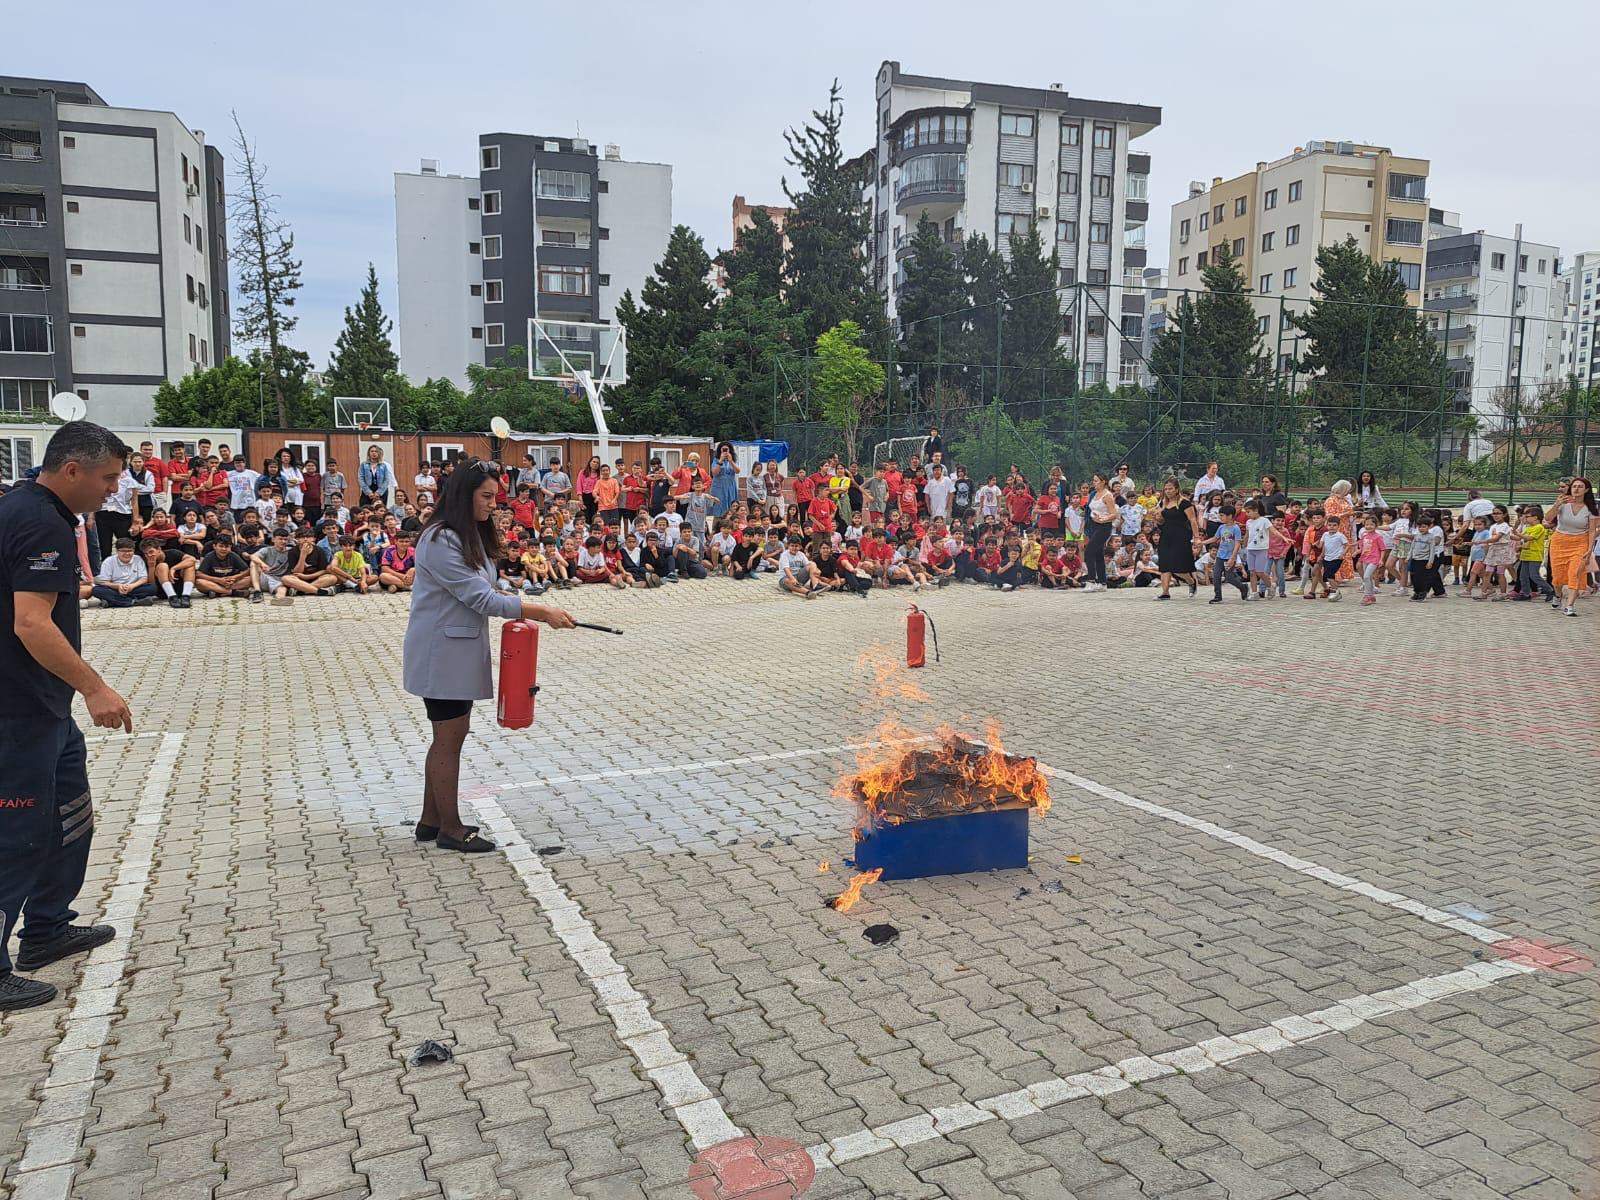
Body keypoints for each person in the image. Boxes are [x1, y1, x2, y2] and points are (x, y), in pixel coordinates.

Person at [0, 420, 134, 1010]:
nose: (113, 490)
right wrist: (95, 687)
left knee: (69, 818)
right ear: (72, 469)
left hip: (43, 708)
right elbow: (31, 623)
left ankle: (48, 928)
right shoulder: (36, 519)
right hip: (16, 713)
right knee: (18, 838)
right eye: (107, 479)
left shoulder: (39, 511)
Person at [403, 459, 574, 854]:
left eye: (495, 497)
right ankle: (449, 827)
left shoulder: (468, 536)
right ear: (464, 496)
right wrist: (541, 612)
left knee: (448, 736)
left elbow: (488, 586)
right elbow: (479, 597)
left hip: (457, 647)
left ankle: (431, 820)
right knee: (449, 738)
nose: (492, 505)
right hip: (440, 652)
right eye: (486, 497)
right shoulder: (439, 538)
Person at [1546, 478, 1597, 617]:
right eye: (1574, 486)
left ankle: (1570, 606)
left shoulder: (1590, 508)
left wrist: (1589, 548)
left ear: (1586, 490)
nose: (1576, 489)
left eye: (1580, 487)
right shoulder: (1563, 503)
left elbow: (1592, 531)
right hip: (1559, 541)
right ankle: (1557, 595)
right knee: (1557, 576)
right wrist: (1556, 505)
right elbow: (1548, 518)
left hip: (1580, 542)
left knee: (1575, 573)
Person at [1154, 478, 1201, 599]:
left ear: (1176, 489)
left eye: (1170, 488)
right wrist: (1156, 518)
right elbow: (1161, 521)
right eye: (1166, 489)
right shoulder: (1163, 503)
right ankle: (1165, 592)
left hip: (1181, 535)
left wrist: (1196, 537)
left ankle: (1191, 581)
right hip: (1166, 535)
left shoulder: (1184, 503)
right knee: (1165, 564)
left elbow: (1193, 520)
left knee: (1178, 567)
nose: (1168, 491)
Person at [91, 538, 158, 608]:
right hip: (116, 589)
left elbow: (144, 578)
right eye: (123, 551)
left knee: (152, 588)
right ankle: (134, 602)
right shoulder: (108, 561)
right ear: (117, 551)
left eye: (130, 551)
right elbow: (105, 582)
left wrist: (132, 586)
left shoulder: (138, 559)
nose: (127, 554)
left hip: (133, 588)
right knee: (97, 590)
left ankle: (112, 602)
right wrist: (118, 586)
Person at [1082, 473, 1117, 592]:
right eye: (1093, 480)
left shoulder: (1108, 495)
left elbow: (1114, 514)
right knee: (1098, 554)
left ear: (1103, 482)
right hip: (1093, 525)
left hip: (1104, 527)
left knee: (1088, 551)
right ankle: (1102, 582)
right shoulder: (1094, 494)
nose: (1094, 483)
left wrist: (1103, 519)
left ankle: (1091, 580)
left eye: (1096, 481)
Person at [710, 445, 740, 517]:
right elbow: (714, 473)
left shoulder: (733, 460)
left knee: (732, 506)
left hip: (730, 486)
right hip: (719, 487)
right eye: (723, 449)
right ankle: (717, 525)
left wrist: (731, 461)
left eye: (727, 449)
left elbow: (737, 471)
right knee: (718, 507)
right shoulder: (716, 460)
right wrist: (720, 461)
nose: (725, 451)